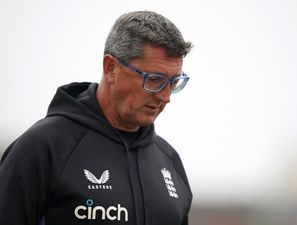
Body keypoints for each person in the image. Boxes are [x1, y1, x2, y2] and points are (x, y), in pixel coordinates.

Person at [0, 10, 193, 225]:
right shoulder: (43, 147)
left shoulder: (169, 162)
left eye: (173, 82)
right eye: (154, 79)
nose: (165, 96)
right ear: (110, 68)